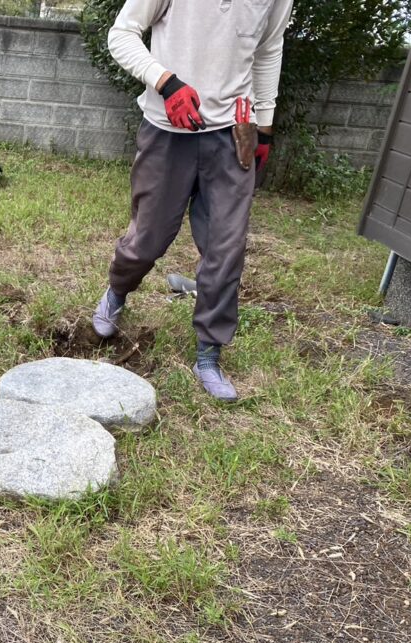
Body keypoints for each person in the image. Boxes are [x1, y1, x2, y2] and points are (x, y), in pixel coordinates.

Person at [92, 0, 294, 402]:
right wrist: (166, 82)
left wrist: (265, 127)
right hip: (167, 129)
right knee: (148, 238)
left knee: (226, 246)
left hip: (235, 133)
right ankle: (117, 291)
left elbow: (269, 49)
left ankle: (209, 353)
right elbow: (122, 34)